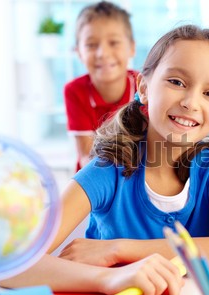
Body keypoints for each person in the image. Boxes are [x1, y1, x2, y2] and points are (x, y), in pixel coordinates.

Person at [1, 24, 209, 295]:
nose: (191, 102)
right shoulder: (107, 170)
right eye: (177, 82)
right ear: (143, 87)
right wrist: (107, 278)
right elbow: (11, 263)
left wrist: (117, 249)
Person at [64, 1, 138, 171]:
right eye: (91, 45)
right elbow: (86, 156)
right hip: (94, 179)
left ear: (132, 48)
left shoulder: (145, 87)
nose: (102, 53)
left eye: (113, 42)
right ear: (79, 53)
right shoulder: (74, 91)